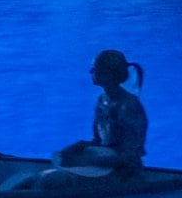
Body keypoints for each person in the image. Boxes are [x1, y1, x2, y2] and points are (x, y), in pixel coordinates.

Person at [54, 49, 147, 179]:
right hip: (105, 164)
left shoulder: (129, 107)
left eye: (95, 69)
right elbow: (103, 143)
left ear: (108, 75)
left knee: (51, 180)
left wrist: (86, 161)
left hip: (125, 172)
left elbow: (129, 157)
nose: (91, 72)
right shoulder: (102, 101)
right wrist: (81, 146)